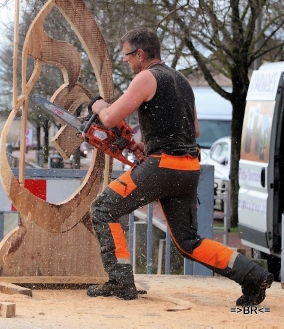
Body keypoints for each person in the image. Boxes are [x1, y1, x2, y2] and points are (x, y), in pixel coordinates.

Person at [86, 27, 273, 305]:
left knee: (103, 209)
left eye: (126, 56)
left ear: (140, 54)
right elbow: (193, 130)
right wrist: (147, 148)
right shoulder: (182, 80)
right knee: (189, 243)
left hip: (163, 168)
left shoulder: (146, 77)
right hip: (188, 169)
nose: (125, 61)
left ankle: (121, 282)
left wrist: (98, 105)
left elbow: (111, 118)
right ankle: (254, 276)